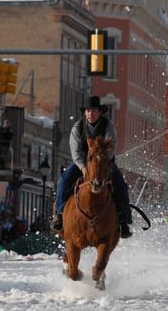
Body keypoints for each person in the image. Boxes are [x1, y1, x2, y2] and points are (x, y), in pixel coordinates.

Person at [50, 95, 133, 238]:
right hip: (82, 163)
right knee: (63, 181)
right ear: (85, 112)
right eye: (88, 111)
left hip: (104, 163)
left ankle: (124, 220)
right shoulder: (77, 128)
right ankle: (59, 215)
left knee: (121, 185)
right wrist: (84, 168)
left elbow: (111, 147)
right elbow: (75, 152)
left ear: (99, 112)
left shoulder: (108, 126)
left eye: (94, 111)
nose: (91, 114)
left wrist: (102, 161)